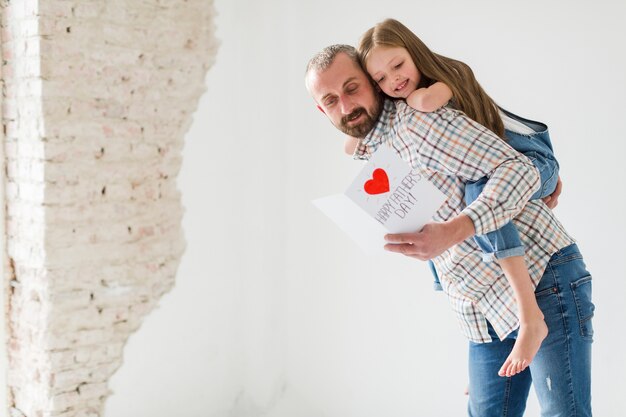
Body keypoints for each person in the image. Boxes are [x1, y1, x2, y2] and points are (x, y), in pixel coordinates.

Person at [305, 40, 593, 417]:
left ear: (372, 83)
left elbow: (519, 169)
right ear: (320, 109)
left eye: (352, 88)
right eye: (330, 100)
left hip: (545, 280)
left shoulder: (422, 122)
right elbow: (446, 252)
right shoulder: (377, 150)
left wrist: (454, 230)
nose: (345, 106)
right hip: (486, 312)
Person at [354, 18, 560, 379]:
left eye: (398, 65)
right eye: (381, 80)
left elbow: (424, 100)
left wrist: (398, 105)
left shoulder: (446, 77)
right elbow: (350, 144)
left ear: (414, 52)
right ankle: (480, 352)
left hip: (534, 159)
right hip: (512, 167)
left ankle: (529, 315)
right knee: (433, 225)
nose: (394, 82)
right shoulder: (404, 111)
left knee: (477, 196)